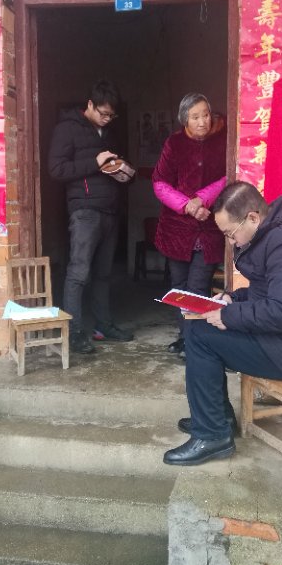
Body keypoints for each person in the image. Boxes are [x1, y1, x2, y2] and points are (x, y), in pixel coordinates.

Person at [163, 181, 282, 466]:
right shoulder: (276, 234)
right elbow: (269, 293)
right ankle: (218, 419)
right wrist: (232, 299)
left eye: (230, 233)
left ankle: (212, 434)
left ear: (252, 217)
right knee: (198, 326)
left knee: (199, 335)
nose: (231, 242)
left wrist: (227, 316)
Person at [48, 79, 134, 355]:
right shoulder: (67, 129)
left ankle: (103, 326)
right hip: (84, 212)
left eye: (112, 115)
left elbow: (107, 167)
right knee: (78, 273)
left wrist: (122, 171)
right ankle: (74, 333)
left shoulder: (108, 133)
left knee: (103, 274)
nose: (107, 119)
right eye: (103, 113)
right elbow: (56, 169)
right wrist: (95, 163)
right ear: (90, 105)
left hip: (109, 209)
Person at [152, 93, 227, 357]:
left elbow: (228, 176)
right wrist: (188, 206)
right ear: (185, 119)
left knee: (198, 287)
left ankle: (196, 342)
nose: (202, 121)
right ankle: (185, 337)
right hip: (177, 229)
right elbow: (160, 183)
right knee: (179, 286)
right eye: (195, 117)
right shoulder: (174, 143)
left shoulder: (223, 140)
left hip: (208, 228)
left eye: (205, 114)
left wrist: (202, 200)